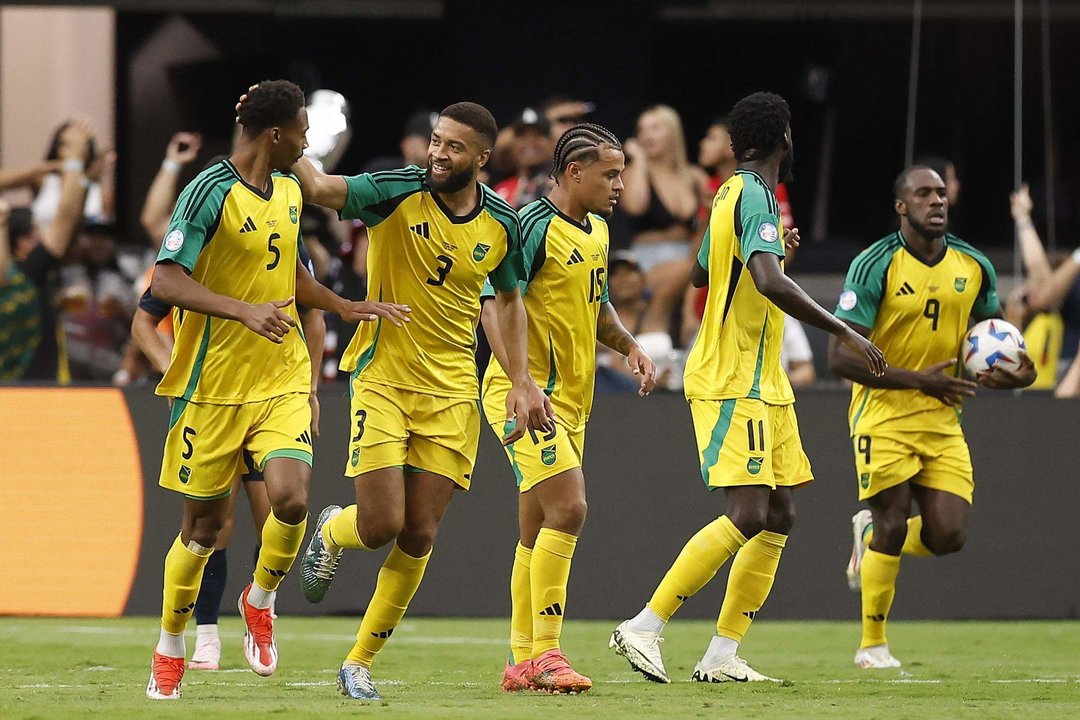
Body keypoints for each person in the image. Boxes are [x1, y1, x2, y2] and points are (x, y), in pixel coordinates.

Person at [610, 92, 885, 685]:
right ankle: (645, 625)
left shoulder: (729, 194)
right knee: (749, 510)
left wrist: (767, 254)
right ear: (785, 137)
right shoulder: (755, 193)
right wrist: (842, 329)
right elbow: (764, 281)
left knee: (780, 513)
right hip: (733, 375)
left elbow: (710, 271)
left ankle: (720, 654)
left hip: (764, 378)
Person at [145, 79, 406, 701]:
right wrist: (241, 310)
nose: (309, 143)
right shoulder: (209, 191)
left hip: (280, 375)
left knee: (290, 500)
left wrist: (342, 303)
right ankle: (171, 643)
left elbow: (284, 268)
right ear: (275, 134)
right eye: (302, 132)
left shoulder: (289, 189)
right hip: (212, 385)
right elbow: (165, 280)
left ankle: (259, 600)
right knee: (202, 530)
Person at [285, 99, 553, 701]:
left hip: (453, 389)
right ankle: (334, 531)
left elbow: (508, 301)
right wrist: (291, 136)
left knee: (420, 533)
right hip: (382, 374)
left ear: (482, 159)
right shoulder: (393, 190)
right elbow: (324, 189)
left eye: (454, 147)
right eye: (435, 140)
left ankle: (359, 662)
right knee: (381, 525)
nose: (437, 153)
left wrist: (521, 379)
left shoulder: (502, 223)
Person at [829, 165, 1035, 670]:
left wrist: (1019, 374)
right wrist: (920, 378)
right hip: (883, 414)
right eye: (923, 193)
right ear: (901, 205)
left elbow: (1000, 345)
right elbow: (840, 357)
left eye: (941, 193)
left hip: (944, 418)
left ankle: (869, 539)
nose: (936, 200)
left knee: (949, 536)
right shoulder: (875, 264)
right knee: (894, 521)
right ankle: (872, 645)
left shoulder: (974, 265)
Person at [480, 123, 657, 694]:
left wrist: (629, 345)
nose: (619, 184)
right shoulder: (529, 227)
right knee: (570, 507)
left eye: (622, 173)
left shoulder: (599, 232)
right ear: (574, 172)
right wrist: (522, 381)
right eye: (610, 174)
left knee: (536, 527)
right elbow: (493, 306)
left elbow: (596, 305)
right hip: (523, 394)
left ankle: (521, 660)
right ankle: (549, 654)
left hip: (570, 401)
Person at [132, 244, 325, 672]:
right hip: (212, 401)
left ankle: (261, 605)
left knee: (283, 503)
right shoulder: (197, 244)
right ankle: (202, 636)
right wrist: (174, 375)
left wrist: (310, 388)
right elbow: (144, 321)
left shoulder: (288, 238)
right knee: (211, 527)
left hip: (273, 395)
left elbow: (313, 315)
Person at [0, 120, 93, 382]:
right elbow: (65, 219)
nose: (42, 235)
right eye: (35, 231)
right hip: (37, 394)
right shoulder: (28, 274)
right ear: (22, 242)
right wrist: (74, 159)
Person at [620, 105, 701, 347]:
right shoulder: (635, 172)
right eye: (642, 130)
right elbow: (635, 206)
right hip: (648, 259)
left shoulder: (693, 176)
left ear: (672, 132)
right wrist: (641, 160)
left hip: (689, 254)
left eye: (655, 128)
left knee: (696, 266)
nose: (647, 135)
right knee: (687, 268)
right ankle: (652, 335)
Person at [493, 108, 555, 210]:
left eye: (538, 135)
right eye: (522, 136)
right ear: (512, 143)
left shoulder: (561, 186)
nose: (530, 142)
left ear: (551, 142)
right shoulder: (501, 191)